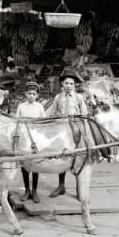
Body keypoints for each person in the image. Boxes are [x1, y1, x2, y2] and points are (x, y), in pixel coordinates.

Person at [45, 69, 89, 197]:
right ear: (62, 85)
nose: (69, 86)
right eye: (66, 83)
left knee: (78, 157)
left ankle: (79, 187)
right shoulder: (58, 97)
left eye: (71, 84)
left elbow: (84, 115)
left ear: (75, 85)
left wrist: (77, 118)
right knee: (63, 156)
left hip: (76, 131)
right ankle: (61, 185)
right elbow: (52, 114)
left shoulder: (78, 97)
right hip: (62, 131)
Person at [16, 81, 46, 202]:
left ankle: (34, 191)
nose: (31, 96)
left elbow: (44, 123)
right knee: (25, 165)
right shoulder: (21, 107)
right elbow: (16, 122)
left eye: (34, 94)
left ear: (37, 95)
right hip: (24, 138)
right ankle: (27, 190)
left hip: (36, 139)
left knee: (35, 165)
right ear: (25, 94)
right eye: (29, 93)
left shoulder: (39, 107)